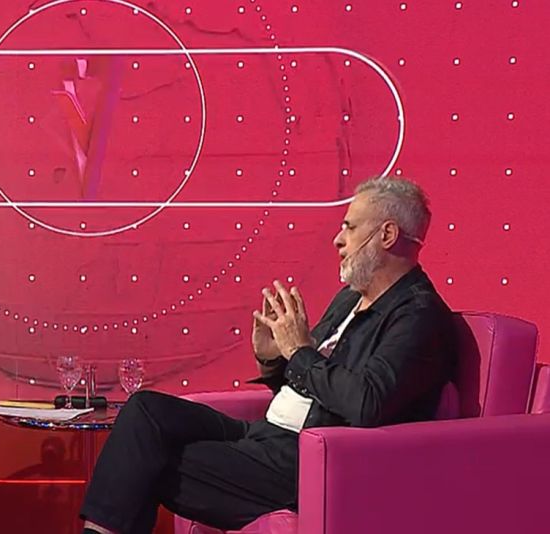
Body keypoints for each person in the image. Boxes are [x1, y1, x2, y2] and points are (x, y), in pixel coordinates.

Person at [80, 177, 457, 533]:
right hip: (265, 434)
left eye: (350, 227)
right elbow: (310, 384)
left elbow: (366, 403)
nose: (338, 240)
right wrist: (274, 359)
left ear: (387, 235)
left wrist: (299, 350)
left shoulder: (418, 316)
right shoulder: (349, 299)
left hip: (310, 459)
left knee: (143, 462)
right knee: (145, 411)